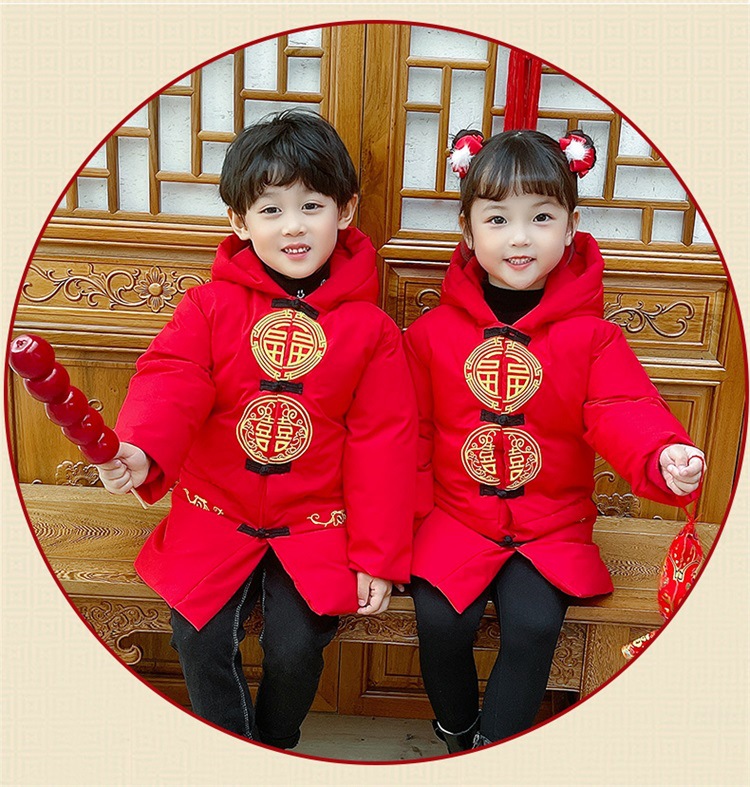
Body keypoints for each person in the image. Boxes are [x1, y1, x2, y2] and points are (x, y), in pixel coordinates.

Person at [95, 109, 417, 749]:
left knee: (297, 645)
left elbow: (384, 443)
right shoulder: (208, 306)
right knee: (198, 633)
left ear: (346, 211)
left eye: (311, 206)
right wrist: (142, 449)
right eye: (271, 210)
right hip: (214, 514)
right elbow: (173, 377)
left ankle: (274, 743)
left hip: (317, 523)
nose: (293, 226)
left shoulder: (372, 330)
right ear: (240, 222)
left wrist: (377, 556)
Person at [403, 128, 705, 752]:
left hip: (550, 522)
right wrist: (404, 522)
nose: (520, 237)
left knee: (535, 624)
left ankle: (496, 746)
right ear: (468, 232)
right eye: (498, 219)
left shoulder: (594, 337)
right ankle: (457, 732)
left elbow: (622, 408)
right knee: (440, 621)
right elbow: (409, 434)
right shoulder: (431, 335)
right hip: (454, 517)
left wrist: (662, 453)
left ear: (570, 228)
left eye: (541, 217)